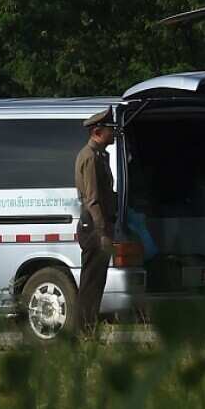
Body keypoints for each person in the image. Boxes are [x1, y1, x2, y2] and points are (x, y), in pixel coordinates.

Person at [74, 109, 117, 339]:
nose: (114, 133)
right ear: (97, 131)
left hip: (98, 224)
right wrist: (102, 231)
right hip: (93, 226)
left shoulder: (100, 155)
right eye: (110, 129)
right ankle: (84, 332)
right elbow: (92, 199)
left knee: (96, 280)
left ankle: (88, 330)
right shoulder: (90, 156)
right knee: (91, 281)